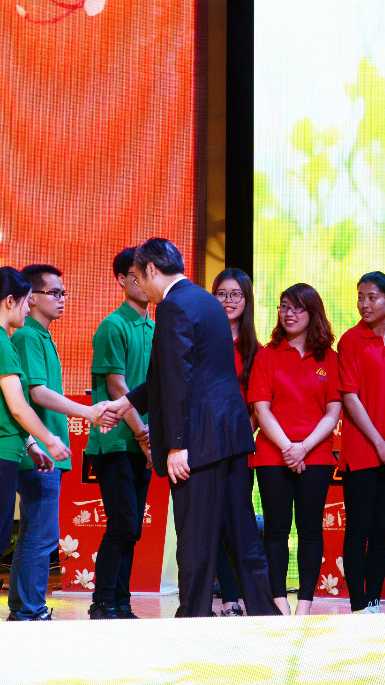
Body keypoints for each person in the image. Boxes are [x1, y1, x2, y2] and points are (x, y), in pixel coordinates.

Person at [97, 238, 278, 617]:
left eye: (138, 276)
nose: (140, 286)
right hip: (230, 437)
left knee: (196, 537)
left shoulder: (173, 306)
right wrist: (126, 403)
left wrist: (177, 445)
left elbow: (179, 377)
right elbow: (172, 372)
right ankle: (266, 615)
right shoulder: (206, 301)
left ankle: (193, 618)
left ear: (150, 270)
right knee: (243, 534)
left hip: (198, 442)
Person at [0, 266, 85, 622]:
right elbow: (18, 406)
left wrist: (31, 444)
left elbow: (7, 407)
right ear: (10, 301)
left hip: (1, 453)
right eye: (28, 301)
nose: (29, 309)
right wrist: (50, 439)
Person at [5, 263, 108, 622]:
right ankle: (30, 610)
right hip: (39, 454)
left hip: (44, 452)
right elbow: (38, 392)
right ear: (30, 298)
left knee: (34, 534)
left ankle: (24, 609)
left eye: (64, 293)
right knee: (41, 536)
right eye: (54, 293)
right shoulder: (28, 337)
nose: (62, 299)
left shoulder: (41, 336)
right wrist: (89, 411)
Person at [248, 282, 343, 615]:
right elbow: (261, 409)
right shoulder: (267, 355)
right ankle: (278, 602)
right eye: (284, 306)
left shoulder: (329, 358)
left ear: (313, 313)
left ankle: (304, 604)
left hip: (315, 455)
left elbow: (333, 412)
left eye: (297, 307)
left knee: (310, 529)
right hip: (272, 454)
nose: (289, 313)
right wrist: (289, 447)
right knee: (275, 530)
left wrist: (303, 448)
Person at [336, 271, 385, 614]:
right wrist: (380, 443)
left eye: (372, 297)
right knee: (358, 530)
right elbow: (350, 397)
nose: (364, 304)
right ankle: (358, 605)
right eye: (360, 297)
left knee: (382, 532)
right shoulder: (350, 341)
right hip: (362, 451)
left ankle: (374, 603)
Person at [86, 249, 156, 620]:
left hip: (143, 444)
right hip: (114, 441)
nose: (142, 281)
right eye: (135, 274)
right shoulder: (113, 326)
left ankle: (121, 603)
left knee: (132, 529)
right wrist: (142, 433)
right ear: (121, 280)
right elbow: (117, 386)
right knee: (124, 523)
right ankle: (102, 602)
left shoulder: (156, 329)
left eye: (147, 273)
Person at [211, 267, 261, 615]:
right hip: (206, 448)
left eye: (235, 295)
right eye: (221, 294)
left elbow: (259, 405)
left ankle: (249, 595)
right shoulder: (203, 343)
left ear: (247, 300)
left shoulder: (256, 350)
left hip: (240, 448)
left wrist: (242, 436)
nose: (228, 301)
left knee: (238, 522)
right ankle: (228, 598)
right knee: (211, 523)